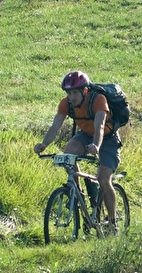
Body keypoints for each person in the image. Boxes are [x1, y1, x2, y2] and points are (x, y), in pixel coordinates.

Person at [34, 71, 121, 231]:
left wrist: (96, 145)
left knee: (103, 178)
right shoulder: (66, 103)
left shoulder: (98, 100)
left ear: (85, 91)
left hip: (108, 139)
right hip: (85, 135)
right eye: (68, 93)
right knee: (68, 154)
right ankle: (77, 193)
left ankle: (112, 222)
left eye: (75, 92)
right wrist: (43, 144)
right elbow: (55, 126)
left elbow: (100, 126)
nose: (71, 97)